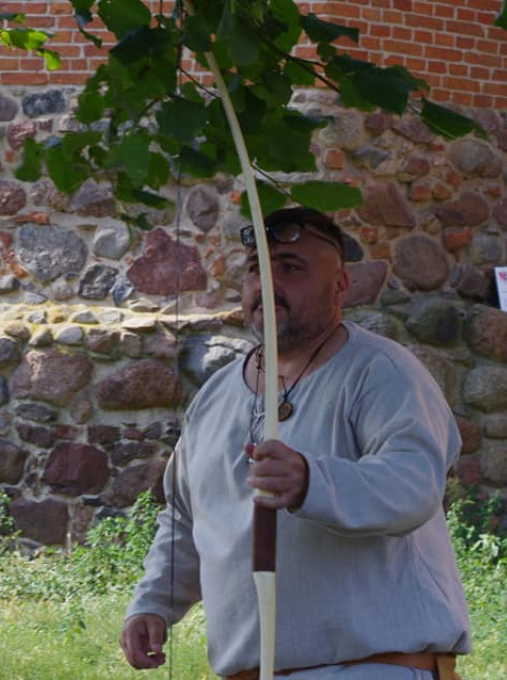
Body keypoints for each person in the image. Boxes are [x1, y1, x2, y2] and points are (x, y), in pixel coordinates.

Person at [120, 207, 471, 679]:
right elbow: (186, 516)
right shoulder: (216, 395)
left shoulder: (382, 372)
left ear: (340, 287)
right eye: (256, 269)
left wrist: (312, 481)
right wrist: (154, 602)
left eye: (290, 267)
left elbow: (413, 485)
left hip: (370, 668)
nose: (268, 283)